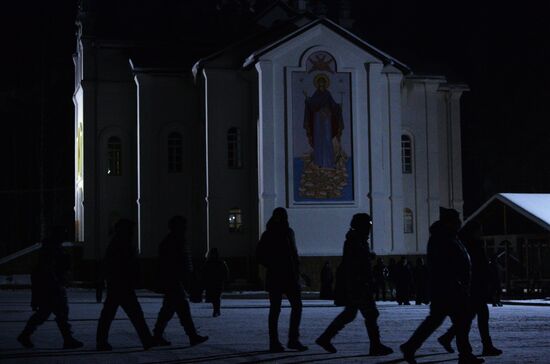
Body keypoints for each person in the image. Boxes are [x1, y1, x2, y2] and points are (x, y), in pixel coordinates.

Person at [400, 208, 484, 364]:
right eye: (456, 220)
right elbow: (444, 265)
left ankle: (411, 346)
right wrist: (456, 282)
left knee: (442, 320)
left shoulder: (448, 237)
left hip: (449, 287)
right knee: (459, 320)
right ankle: (464, 354)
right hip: (448, 288)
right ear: (449, 222)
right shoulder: (442, 238)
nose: (460, 223)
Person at [315, 213, 393, 356]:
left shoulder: (357, 240)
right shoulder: (356, 241)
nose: (370, 227)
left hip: (357, 283)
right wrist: (366, 279)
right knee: (371, 313)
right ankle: (375, 345)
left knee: (350, 314)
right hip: (359, 284)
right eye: (368, 224)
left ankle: (325, 338)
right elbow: (356, 263)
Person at [437, 221, 502, 356]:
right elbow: (479, 267)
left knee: (469, 317)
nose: (481, 233)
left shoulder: (465, 244)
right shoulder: (473, 245)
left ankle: (448, 338)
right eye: (479, 230)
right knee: (478, 317)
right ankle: (483, 346)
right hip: (476, 287)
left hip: (473, 287)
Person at [18, 226, 83, 349]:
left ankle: (25, 335)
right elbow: (48, 268)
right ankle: (67, 339)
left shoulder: (52, 248)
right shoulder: (52, 249)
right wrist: (57, 282)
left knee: (46, 313)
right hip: (52, 286)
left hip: (51, 285)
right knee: (59, 313)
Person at [96, 219, 154, 351]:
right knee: (135, 314)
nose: (132, 232)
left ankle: (101, 341)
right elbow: (126, 264)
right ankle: (146, 339)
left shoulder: (117, 243)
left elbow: (108, 264)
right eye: (130, 229)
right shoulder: (122, 244)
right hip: (122, 284)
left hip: (117, 284)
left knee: (109, 314)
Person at [256, 207, 308, 352]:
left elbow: (294, 253)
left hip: (287, 276)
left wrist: (300, 272)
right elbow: (259, 255)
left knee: (292, 308)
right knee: (278, 310)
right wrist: (273, 264)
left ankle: (290, 340)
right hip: (279, 276)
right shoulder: (271, 234)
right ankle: (278, 341)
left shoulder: (286, 232)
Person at [152, 216, 208, 347]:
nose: (186, 228)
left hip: (174, 281)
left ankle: (157, 335)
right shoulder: (173, 242)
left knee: (169, 310)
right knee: (181, 309)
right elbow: (174, 264)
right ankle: (192, 336)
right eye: (183, 225)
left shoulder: (174, 241)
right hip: (174, 281)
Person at [303, 73, 344, 169]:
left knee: (327, 138)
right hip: (318, 119)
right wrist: (307, 99)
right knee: (318, 139)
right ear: (318, 84)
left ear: (325, 83)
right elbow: (312, 104)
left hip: (327, 119)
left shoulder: (327, 94)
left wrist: (338, 106)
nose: (321, 84)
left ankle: (329, 162)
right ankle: (319, 162)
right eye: (320, 83)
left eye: (323, 83)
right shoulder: (316, 94)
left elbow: (333, 105)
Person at [202, 248, 229, 317]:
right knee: (216, 297)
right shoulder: (220, 262)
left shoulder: (209, 262)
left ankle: (216, 310)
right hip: (216, 282)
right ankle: (216, 310)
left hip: (214, 282)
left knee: (215, 297)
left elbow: (204, 273)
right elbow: (225, 272)